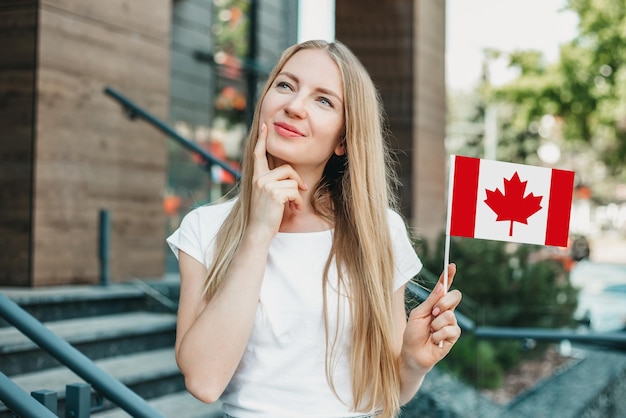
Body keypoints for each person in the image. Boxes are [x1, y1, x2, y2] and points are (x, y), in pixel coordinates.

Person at [167, 39, 462, 418]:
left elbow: (391, 392)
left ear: (343, 139)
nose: (294, 106)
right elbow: (204, 382)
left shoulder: (379, 231)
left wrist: (414, 362)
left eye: (323, 100)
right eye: (286, 85)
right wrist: (258, 232)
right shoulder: (204, 228)